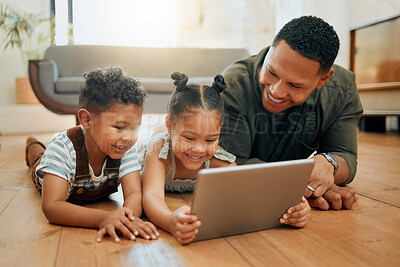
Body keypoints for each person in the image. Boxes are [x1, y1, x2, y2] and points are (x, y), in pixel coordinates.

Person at [139, 72, 311, 245]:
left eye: (210, 139)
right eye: (190, 138)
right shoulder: (160, 151)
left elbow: (247, 195)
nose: (199, 149)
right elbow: (152, 195)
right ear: (170, 125)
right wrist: (169, 220)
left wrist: (293, 209)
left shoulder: (218, 159)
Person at [219, 15, 363, 211]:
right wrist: (302, 186)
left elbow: (345, 155)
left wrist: (328, 165)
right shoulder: (231, 86)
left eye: (295, 85)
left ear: (324, 79)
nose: (275, 91)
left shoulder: (342, 90)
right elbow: (230, 164)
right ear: (270, 51)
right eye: (272, 71)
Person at [25, 65, 159, 243]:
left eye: (135, 128)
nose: (128, 137)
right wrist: (103, 218)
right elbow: (52, 206)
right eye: (119, 127)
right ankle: (31, 142)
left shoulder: (123, 147)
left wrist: (127, 218)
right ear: (87, 120)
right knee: (38, 156)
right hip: (51, 169)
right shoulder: (61, 149)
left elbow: (134, 193)